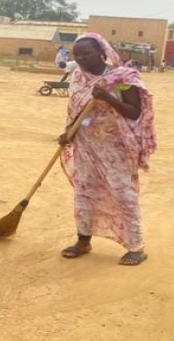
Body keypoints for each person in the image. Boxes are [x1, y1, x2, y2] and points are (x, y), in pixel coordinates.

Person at [57, 34, 157, 266]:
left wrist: (106, 97)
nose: (80, 58)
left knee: (123, 193)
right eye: (77, 54)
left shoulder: (121, 78)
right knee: (84, 192)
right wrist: (69, 131)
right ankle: (83, 240)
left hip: (117, 147)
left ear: (102, 53)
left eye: (86, 53)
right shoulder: (78, 77)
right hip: (86, 143)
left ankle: (136, 247)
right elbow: (76, 112)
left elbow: (133, 111)